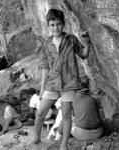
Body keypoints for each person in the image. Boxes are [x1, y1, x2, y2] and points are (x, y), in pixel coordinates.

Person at [33, 8, 90, 150]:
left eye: (58, 24)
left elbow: (83, 55)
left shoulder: (71, 40)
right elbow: (45, 67)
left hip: (69, 83)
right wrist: (41, 89)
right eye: (52, 25)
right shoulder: (46, 44)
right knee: (40, 113)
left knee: (65, 115)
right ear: (48, 26)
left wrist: (87, 43)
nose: (55, 28)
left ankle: (64, 145)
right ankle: (35, 138)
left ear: (63, 24)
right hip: (52, 83)